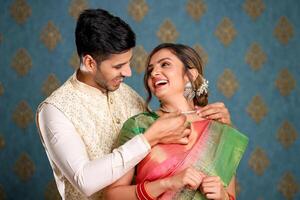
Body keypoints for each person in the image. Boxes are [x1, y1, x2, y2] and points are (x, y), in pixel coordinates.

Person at [36, 9, 232, 200]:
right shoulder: (55, 110)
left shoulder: (128, 94)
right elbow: (84, 180)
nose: (129, 73)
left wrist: (222, 128)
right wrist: (148, 139)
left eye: (129, 62)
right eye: (118, 66)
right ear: (90, 63)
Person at [104, 43, 248, 200]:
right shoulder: (139, 125)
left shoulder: (217, 127)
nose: (154, 73)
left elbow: (230, 195)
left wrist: (223, 197)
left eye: (165, 64)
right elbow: (113, 195)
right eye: (150, 70)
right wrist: (168, 183)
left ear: (191, 75)